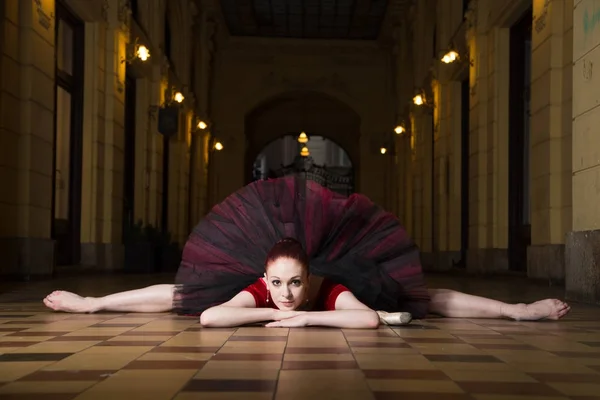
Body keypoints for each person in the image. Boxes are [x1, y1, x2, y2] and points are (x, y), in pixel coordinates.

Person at [43, 176, 570, 325]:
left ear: (310, 275)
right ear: (264, 279)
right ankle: (93, 305)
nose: (288, 295)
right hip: (266, 279)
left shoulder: (333, 289)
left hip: (345, 285)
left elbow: (375, 319)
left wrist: (299, 321)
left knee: (416, 298)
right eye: (278, 285)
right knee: (187, 295)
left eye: (295, 283)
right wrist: (93, 304)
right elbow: (193, 307)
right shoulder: (262, 288)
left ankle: (517, 312)